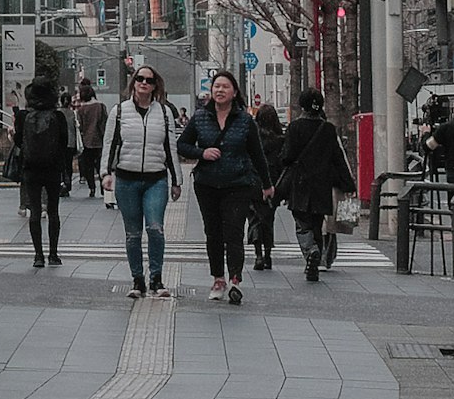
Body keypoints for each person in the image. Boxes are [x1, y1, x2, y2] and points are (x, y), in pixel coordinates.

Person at [181, 69, 270, 303]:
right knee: (213, 233)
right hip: (206, 184)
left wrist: (267, 184)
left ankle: (235, 280)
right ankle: (218, 278)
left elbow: (257, 154)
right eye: (216, 86)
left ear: (234, 92)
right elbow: (182, 145)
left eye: (225, 87)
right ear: (211, 91)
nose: (220, 90)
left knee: (234, 231)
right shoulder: (201, 117)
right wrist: (202, 152)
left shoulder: (245, 120)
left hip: (237, 184)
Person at [103, 65, 183, 296]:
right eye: (140, 79)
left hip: (156, 179)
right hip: (126, 180)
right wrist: (106, 173)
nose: (144, 83)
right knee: (133, 233)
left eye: (149, 80)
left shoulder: (164, 112)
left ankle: (156, 279)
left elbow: (171, 147)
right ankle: (138, 280)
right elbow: (110, 144)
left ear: (155, 85)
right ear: (133, 82)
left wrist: (177, 180)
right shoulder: (119, 111)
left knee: (155, 228)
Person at [279, 88, 359, 280]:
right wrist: (348, 184)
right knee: (317, 224)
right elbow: (338, 158)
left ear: (302, 106)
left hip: (301, 183)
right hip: (322, 185)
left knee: (301, 222)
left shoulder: (295, 128)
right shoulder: (328, 129)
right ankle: (314, 260)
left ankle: (311, 252)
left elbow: (287, 157)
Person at [10, 79, 76, 267]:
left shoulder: (23, 116)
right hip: (53, 169)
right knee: (53, 211)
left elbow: (18, 140)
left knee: (35, 211)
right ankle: (53, 254)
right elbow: (64, 143)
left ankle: (38, 255)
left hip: (31, 169)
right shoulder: (58, 116)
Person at [69, 74, 108, 198]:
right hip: (100, 140)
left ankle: (92, 188)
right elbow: (104, 123)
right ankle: (103, 187)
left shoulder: (81, 110)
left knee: (89, 166)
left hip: (86, 141)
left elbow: (80, 126)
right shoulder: (101, 106)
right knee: (100, 164)